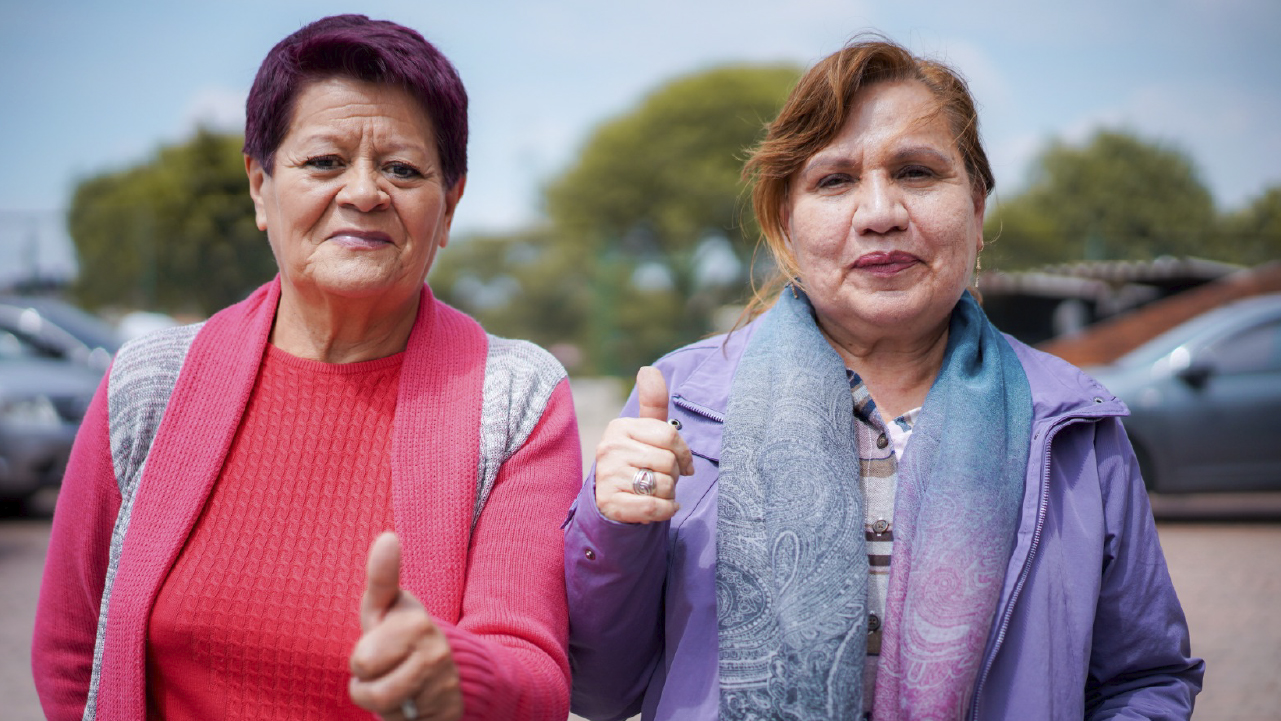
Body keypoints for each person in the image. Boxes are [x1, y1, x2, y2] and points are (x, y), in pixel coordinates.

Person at [564, 37, 1203, 721]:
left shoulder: (1071, 425)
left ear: (978, 209)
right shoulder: (681, 405)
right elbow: (600, 689)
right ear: (785, 222)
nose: (879, 213)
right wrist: (617, 523)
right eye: (833, 181)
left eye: (917, 173)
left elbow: (1144, 678)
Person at [33, 15, 580, 721]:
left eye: (403, 169)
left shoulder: (516, 399)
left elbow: (535, 674)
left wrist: (458, 673)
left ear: (449, 205)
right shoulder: (149, 383)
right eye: (324, 162)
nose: (363, 193)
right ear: (260, 186)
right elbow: (71, 654)